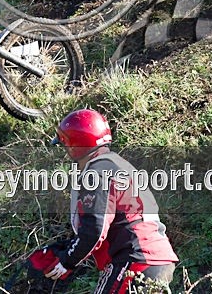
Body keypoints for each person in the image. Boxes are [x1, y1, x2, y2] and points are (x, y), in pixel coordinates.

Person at [44, 109, 179, 293]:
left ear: (75, 146)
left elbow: (95, 229)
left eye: (65, 146)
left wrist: (67, 261)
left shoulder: (97, 172)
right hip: (158, 257)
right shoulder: (116, 164)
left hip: (134, 258)